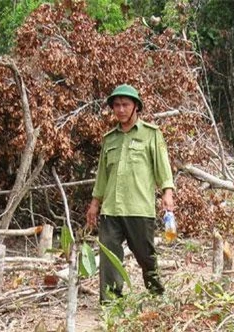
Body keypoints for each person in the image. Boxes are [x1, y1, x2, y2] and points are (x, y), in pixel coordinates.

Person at [86, 84, 174, 302]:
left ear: (136, 107)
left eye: (126, 104)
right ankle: (110, 301)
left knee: (146, 256)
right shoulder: (109, 139)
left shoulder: (151, 134)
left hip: (139, 208)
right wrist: (95, 204)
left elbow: (163, 168)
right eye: (116, 105)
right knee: (109, 257)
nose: (121, 109)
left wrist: (167, 193)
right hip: (111, 209)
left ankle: (156, 294)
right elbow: (102, 176)